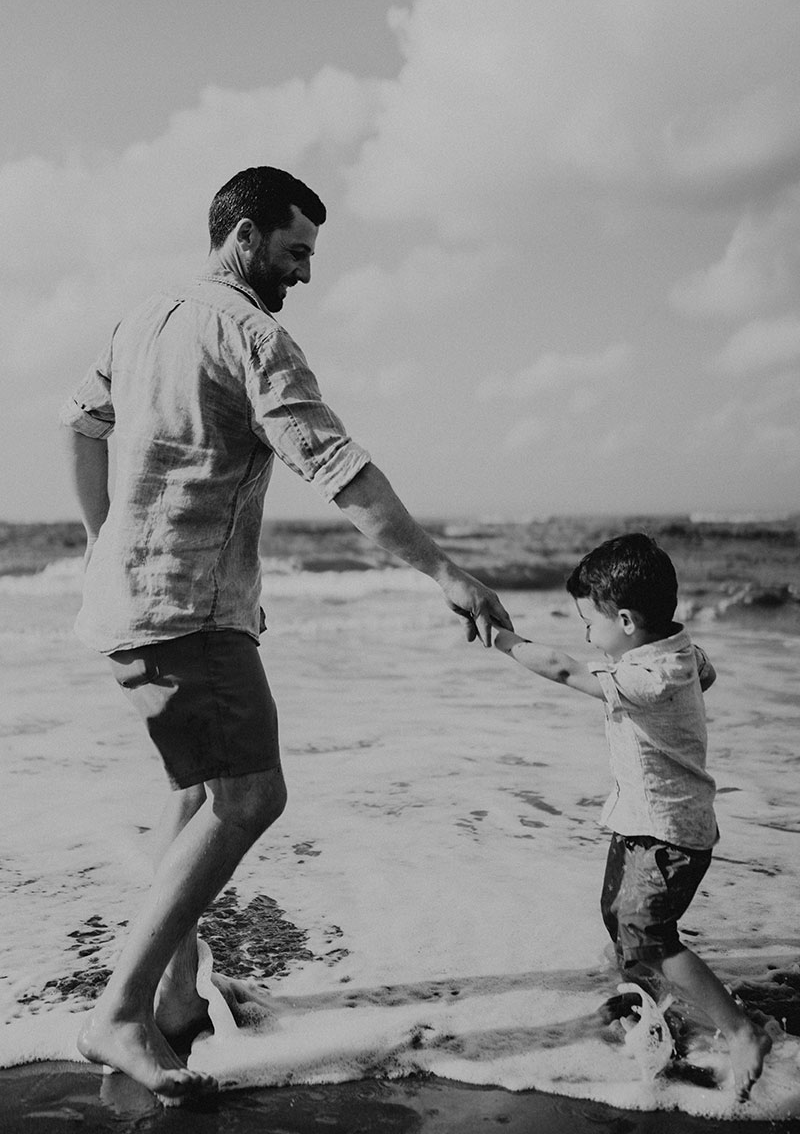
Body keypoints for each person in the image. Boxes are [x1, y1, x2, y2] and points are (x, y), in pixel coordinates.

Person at [61, 166, 512, 1102]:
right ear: (245, 235)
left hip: (125, 606)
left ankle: (178, 1005)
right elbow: (341, 472)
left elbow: (81, 423)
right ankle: (119, 1011)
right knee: (252, 796)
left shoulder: (143, 317)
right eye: (296, 250)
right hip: (192, 610)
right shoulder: (253, 334)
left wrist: (103, 539)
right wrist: (445, 572)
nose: (305, 273)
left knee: (196, 793)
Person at [492, 533, 771, 1103]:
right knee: (617, 917)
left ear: (625, 619)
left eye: (589, 622)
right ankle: (649, 1010)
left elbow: (566, 671)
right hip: (644, 821)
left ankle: (742, 1031)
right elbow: (705, 673)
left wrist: (501, 638)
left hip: (667, 833)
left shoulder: (649, 678)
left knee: (650, 935)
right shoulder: (679, 654)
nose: (586, 634)